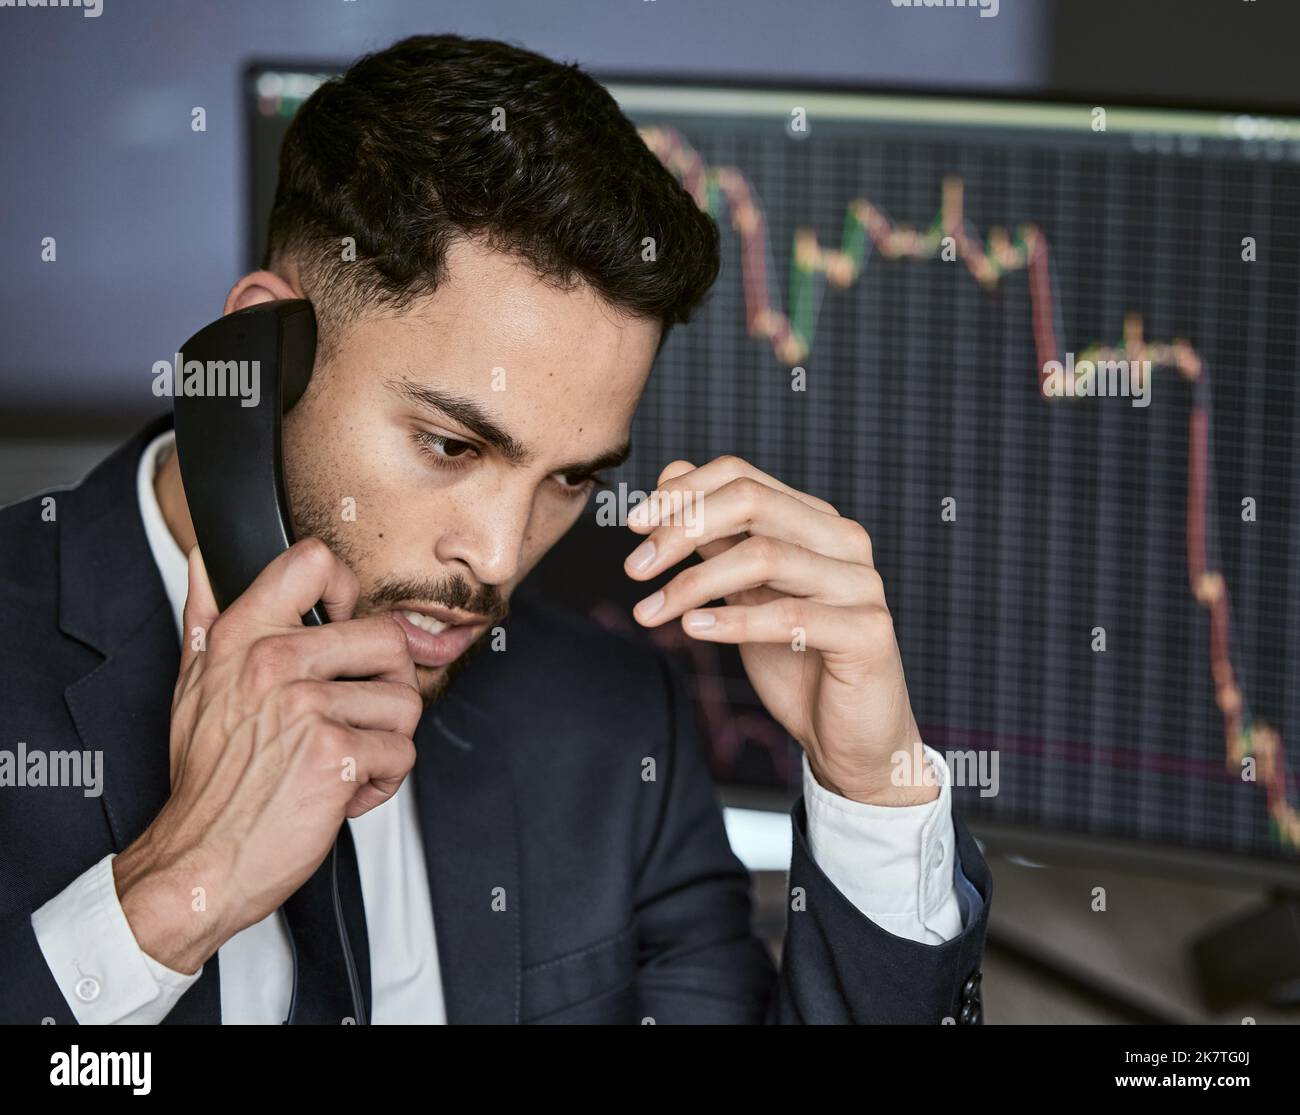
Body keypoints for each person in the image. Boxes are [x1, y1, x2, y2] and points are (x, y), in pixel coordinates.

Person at [0, 33, 988, 1024]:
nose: (498, 559)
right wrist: (170, 896)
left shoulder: (610, 722)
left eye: (567, 478)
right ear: (256, 357)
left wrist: (872, 790)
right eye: (449, 445)